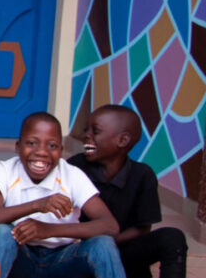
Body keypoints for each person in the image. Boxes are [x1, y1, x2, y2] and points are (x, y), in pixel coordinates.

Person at [0, 113, 124, 278]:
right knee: (1, 232)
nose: (42, 152)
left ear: (61, 151)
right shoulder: (4, 170)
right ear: (18, 146)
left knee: (103, 243)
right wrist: (38, 205)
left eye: (52, 146)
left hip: (62, 260)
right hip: (21, 257)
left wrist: (49, 230)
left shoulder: (72, 175)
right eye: (31, 143)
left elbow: (110, 226)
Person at [67, 105, 187, 278]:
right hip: (83, 254)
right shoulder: (75, 166)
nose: (87, 135)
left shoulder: (142, 175)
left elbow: (142, 228)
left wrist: (108, 244)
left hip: (123, 252)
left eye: (96, 131)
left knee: (172, 238)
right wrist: (96, 246)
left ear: (122, 140)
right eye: (87, 130)